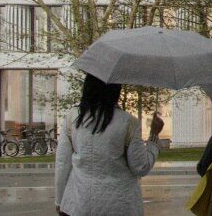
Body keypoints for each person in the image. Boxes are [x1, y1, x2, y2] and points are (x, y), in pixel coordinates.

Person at [54, 73, 162, 216]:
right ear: (115, 90)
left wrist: (60, 201)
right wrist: (154, 136)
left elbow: (62, 163)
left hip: (79, 203)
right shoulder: (128, 122)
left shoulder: (73, 118)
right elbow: (140, 167)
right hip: (120, 205)